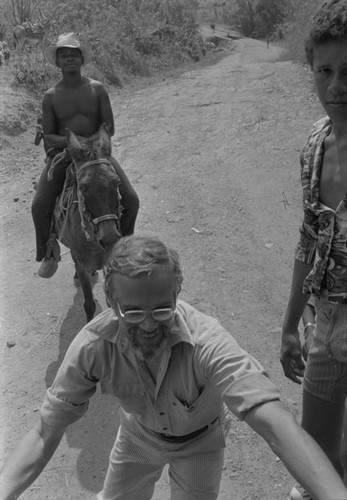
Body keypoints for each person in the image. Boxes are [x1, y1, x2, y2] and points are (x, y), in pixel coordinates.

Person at [1, 235, 347, 500]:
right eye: (133, 312)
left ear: (177, 294)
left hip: (201, 442)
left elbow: (275, 424)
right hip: (138, 436)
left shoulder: (206, 340)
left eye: (163, 309)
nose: (149, 325)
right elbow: (45, 433)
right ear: (112, 302)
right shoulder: (93, 346)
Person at [280, 1, 347, 499]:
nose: (337, 86)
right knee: (318, 457)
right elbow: (309, 239)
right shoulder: (315, 144)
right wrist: (290, 325)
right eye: (325, 71)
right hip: (325, 326)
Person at [31, 32, 139, 279]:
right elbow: (48, 135)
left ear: (82, 60)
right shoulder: (51, 96)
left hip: (97, 153)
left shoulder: (97, 89)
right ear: (57, 62)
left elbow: (109, 127)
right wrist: (71, 146)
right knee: (39, 205)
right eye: (64, 55)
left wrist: (93, 142)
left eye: (74, 55)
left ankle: (124, 249)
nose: (69, 59)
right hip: (65, 154)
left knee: (132, 199)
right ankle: (48, 253)